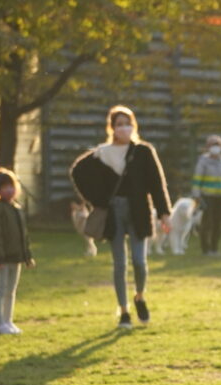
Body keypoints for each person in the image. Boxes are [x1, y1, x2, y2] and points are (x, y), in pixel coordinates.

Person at [71, 105, 171, 329]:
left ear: (133, 126)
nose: (124, 128)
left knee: (139, 261)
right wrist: (97, 200)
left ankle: (139, 296)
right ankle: (124, 310)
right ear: (112, 128)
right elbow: (77, 171)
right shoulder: (102, 153)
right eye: (119, 124)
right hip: (114, 211)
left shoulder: (143, 151)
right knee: (119, 263)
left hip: (138, 210)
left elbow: (157, 183)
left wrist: (164, 213)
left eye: (128, 123)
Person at [0, 168, 35, 335]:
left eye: (11, 186)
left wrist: (27, 256)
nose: (9, 190)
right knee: (0, 289)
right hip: (2, 259)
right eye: (5, 187)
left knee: (11, 291)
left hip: (16, 258)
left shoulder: (17, 209)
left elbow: (23, 236)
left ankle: (8, 320)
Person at [191, 134, 221, 256]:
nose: (215, 147)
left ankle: (215, 248)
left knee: (217, 224)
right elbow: (197, 179)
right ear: (207, 147)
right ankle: (206, 249)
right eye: (213, 144)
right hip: (206, 196)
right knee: (207, 223)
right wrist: (196, 195)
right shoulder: (203, 161)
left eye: (218, 144)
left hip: (220, 196)